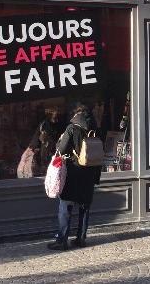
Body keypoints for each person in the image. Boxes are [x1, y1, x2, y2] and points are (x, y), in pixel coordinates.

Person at [48, 103, 102, 251]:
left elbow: (61, 149)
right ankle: (81, 239)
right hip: (90, 173)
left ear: (76, 114)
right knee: (85, 207)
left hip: (73, 172)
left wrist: (60, 140)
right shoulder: (95, 129)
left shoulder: (72, 128)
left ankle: (62, 240)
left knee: (65, 206)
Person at [28, 106, 67, 175]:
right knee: (45, 161)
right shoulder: (45, 123)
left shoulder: (59, 124)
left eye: (57, 112)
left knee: (52, 162)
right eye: (54, 112)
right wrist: (35, 146)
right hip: (46, 146)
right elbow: (37, 135)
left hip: (54, 147)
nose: (56, 114)